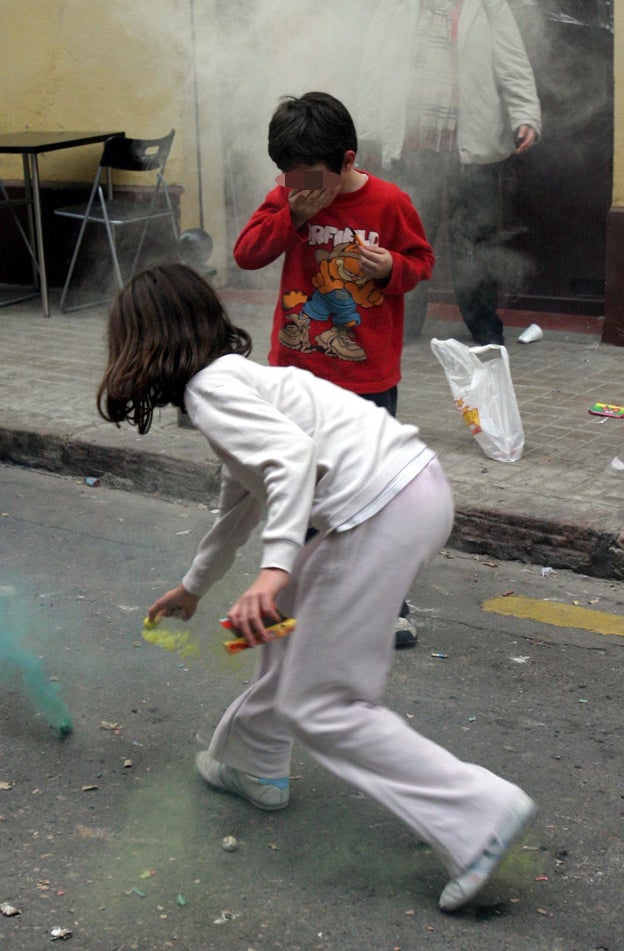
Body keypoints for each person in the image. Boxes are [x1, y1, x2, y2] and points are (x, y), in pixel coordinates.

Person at [97, 262, 537, 913]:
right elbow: (240, 502)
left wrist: (274, 569)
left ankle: (479, 816)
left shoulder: (211, 391)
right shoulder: (236, 380)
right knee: (285, 623)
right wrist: (194, 586)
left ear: (143, 343)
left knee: (324, 700)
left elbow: (289, 462)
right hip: (407, 490)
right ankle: (255, 761)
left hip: (377, 507)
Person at [234, 90, 436, 648]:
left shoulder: (389, 203)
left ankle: (388, 601)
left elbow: (422, 263)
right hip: (296, 374)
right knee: (298, 491)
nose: (299, 189)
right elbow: (247, 254)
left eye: (310, 180)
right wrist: (290, 218)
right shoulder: (286, 198)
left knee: (372, 496)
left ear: (347, 160)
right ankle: (298, 594)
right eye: (288, 177)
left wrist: (392, 266)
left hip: (367, 379)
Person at [357, 0, 542, 346]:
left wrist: (525, 115)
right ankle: (403, 322)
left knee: (474, 238)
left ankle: (483, 323)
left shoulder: (487, 5)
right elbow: (374, 64)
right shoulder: (395, 6)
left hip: (468, 144)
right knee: (407, 236)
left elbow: (512, 61)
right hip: (411, 144)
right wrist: (368, 131)